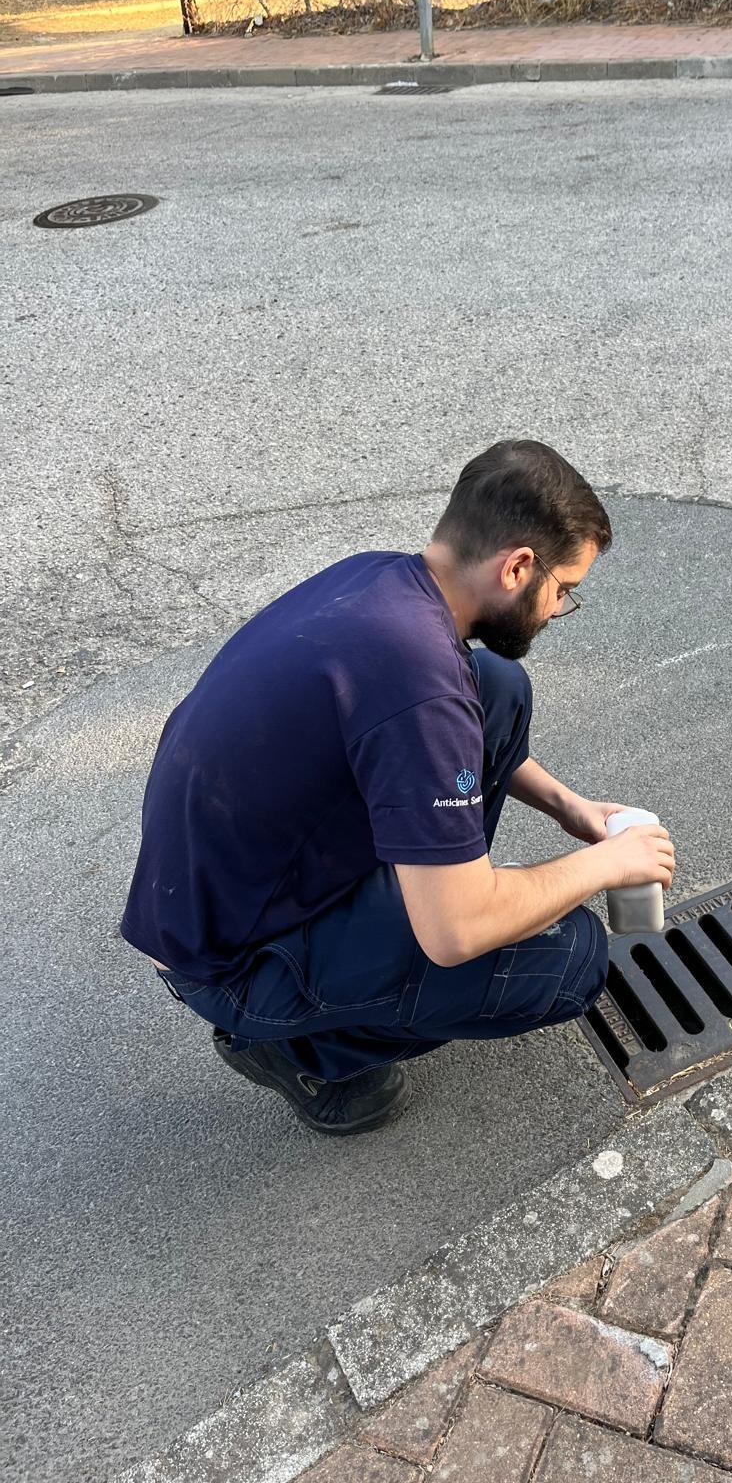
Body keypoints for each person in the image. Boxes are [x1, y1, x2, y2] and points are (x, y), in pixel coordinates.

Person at [120, 440, 676, 1136]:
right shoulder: (419, 688)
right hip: (231, 961)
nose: (559, 607)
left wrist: (570, 807)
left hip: (223, 887)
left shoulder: (382, 582)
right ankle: (296, 1049)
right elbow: (455, 933)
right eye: (563, 590)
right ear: (517, 567)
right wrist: (605, 865)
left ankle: (407, 912)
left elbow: (432, 728)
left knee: (496, 686)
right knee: (571, 961)